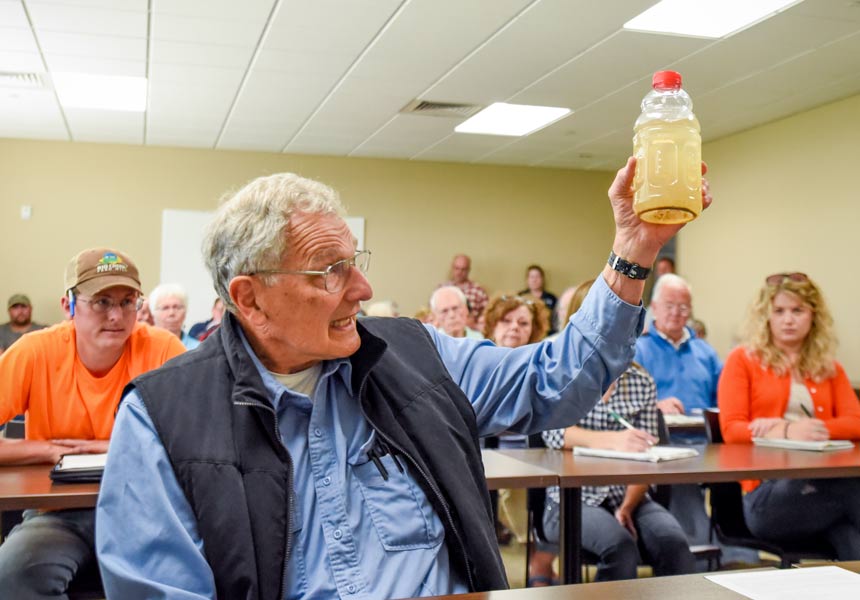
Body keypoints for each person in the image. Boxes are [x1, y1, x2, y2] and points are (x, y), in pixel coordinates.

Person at [96, 157, 710, 598]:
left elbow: (555, 382)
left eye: (354, 262)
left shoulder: (414, 355)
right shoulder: (163, 416)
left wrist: (633, 250)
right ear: (250, 299)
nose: (362, 290)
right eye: (329, 271)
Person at [0, 247, 185, 597]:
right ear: (68, 305)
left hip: (148, 508)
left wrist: (114, 445)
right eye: (101, 302)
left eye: (128, 301)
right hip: (58, 513)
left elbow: (202, 436)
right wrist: (45, 449)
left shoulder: (163, 349)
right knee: (12, 574)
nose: (116, 315)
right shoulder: (34, 351)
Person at [718, 272, 860, 558]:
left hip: (824, 488)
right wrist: (787, 431)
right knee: (851, 490)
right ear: (766, 317)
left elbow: (855, 423)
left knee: (849, 535)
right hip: (767, 497)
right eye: (779, 311)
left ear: (813, 316)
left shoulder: (829, 368)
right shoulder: (742, 360)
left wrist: (813, 430)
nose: (788, 319)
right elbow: (732, 429)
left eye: (798, 310)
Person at [538, 365, 696, 582]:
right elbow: (554, 434)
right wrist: (615, 440)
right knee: (620, 547)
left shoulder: (641, 381)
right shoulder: (564, 375)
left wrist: (627, 506)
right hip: (570, 500)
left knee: (674, 544)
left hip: (628, 495)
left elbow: (648, 455)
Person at [635, 274, 720, 418]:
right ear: (654, 307)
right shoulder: (637, 351)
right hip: (657, 436)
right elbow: (623, 405)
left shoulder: (706, 352)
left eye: (683, 307)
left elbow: (722, 400)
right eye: (669, 305)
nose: (675, 313)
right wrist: (655, 406)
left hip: (703, 437)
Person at [438, 254, 489, 328]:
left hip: (470, 332)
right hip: (444, 331)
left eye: (463, 269)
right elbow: (432, 313)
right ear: (452, 268)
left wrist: (476, 325)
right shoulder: (441, 289)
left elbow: (487, 315)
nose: (460, 272)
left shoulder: (478, 290)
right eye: (457, 268)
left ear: (469, 270)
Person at [149, 283, 200, 350]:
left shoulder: (198, 349)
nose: (171, 313)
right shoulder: (145, 347)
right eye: (165, 308)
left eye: (177, 307)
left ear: (185, 312)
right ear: (153, 313)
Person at [519, 265, 557, 331]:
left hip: (547, 333)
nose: (534, 280)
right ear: (527, 279)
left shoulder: (552, 298)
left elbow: (556, 320)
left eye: (537, 277)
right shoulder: (520, 297)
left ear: (542, 279)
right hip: (525, 332)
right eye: (532, 277)